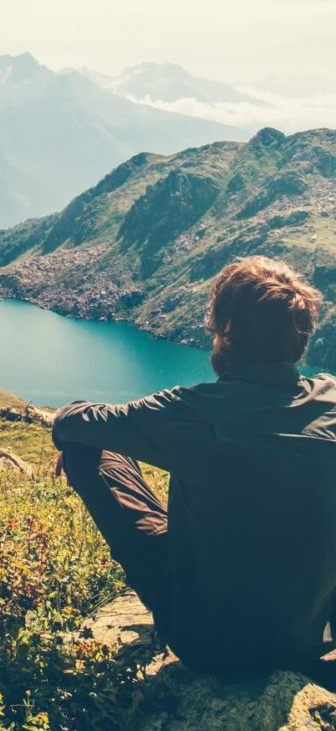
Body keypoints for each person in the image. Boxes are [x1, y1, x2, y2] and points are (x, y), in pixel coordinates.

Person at [53, 256, 336, 678]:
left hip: (211, 646)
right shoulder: (330, 400)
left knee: (84, 450)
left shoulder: (191, 414)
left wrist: (85, 437)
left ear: (226, 331)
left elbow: (70, 422)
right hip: (308, 640)